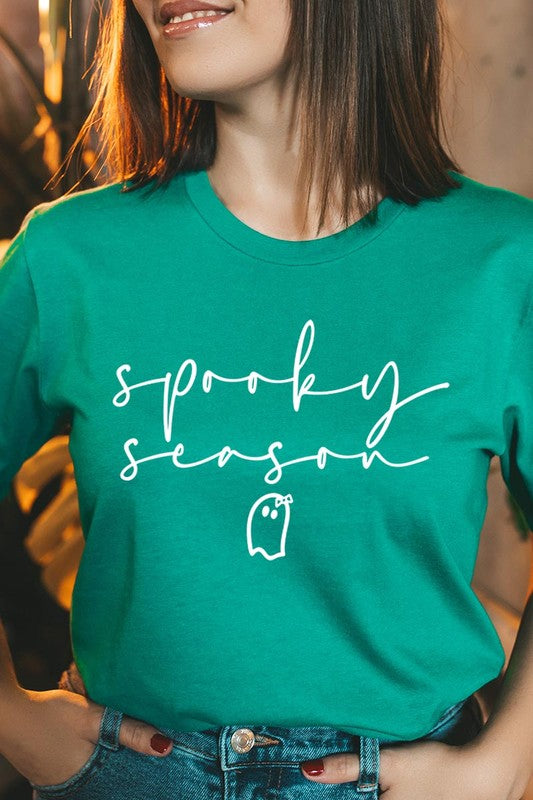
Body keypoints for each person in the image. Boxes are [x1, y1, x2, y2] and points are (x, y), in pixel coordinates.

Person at [0, 0, 532, 798]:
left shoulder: (500, 261)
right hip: (127, 774)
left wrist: (502, 763)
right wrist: (8, 717)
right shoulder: (68, 256)